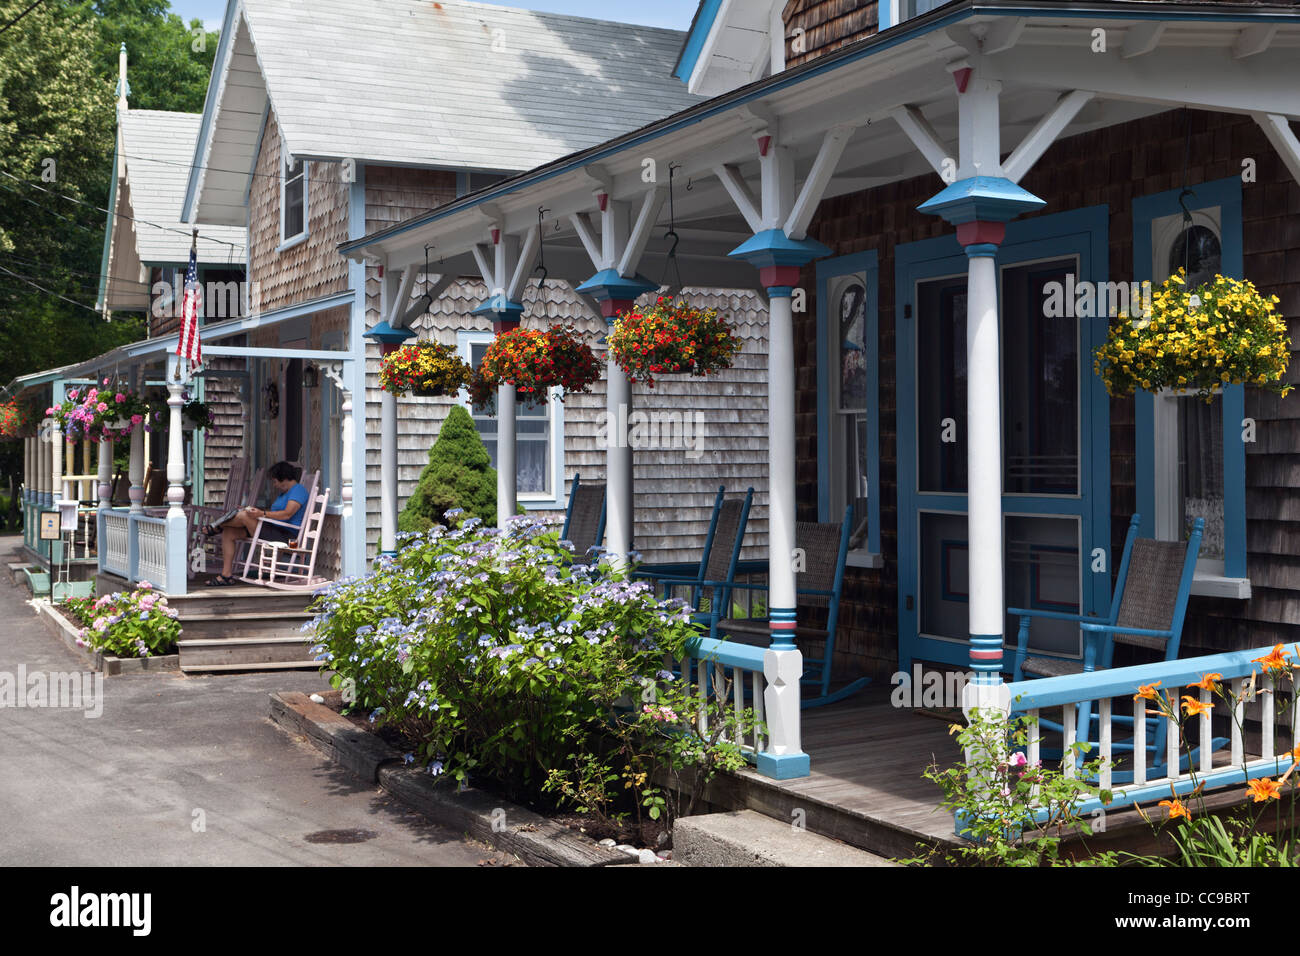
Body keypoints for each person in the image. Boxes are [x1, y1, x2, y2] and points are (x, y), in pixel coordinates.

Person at [209, 461, 309, 586]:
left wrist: (261, 514)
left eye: (275, 481)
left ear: (283, 478)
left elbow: (287, 514)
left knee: (244, 515)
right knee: (230, 532)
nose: (274, 485)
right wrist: (254, 511)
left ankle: (217, 526)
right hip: (273, 529)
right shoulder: (284, 493)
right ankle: (226, 575)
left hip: (286, 536)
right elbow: (273, 513)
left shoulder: (298, 490)